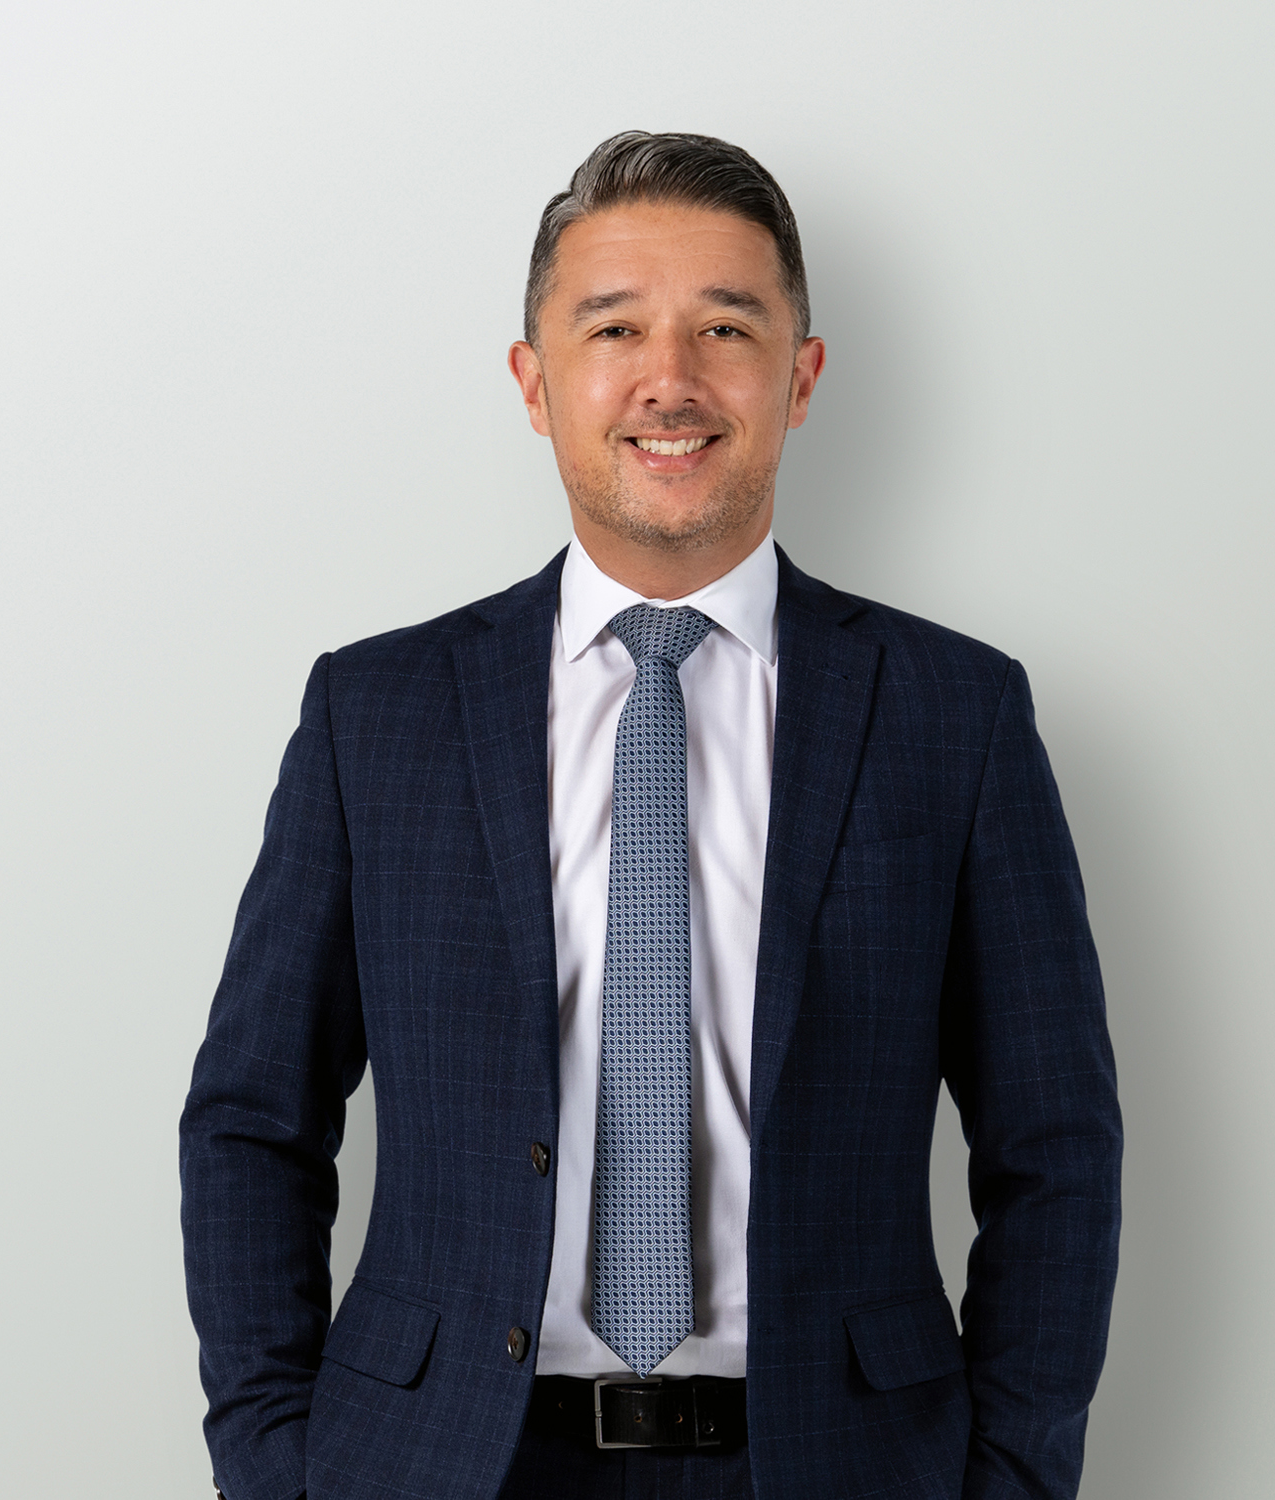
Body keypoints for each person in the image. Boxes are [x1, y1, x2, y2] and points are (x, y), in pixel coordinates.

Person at [180, 131, 1122, 1500]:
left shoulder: (952, 715)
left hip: (841, 1464)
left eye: (725, 329)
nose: (668, 379)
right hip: (443, 1465)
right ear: (534, 382)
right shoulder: (375, 714)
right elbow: (252, 1122)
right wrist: (278, 1468)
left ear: (801, 377)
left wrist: (1011, 1479)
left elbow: (1055, 1147)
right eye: (613, 328)